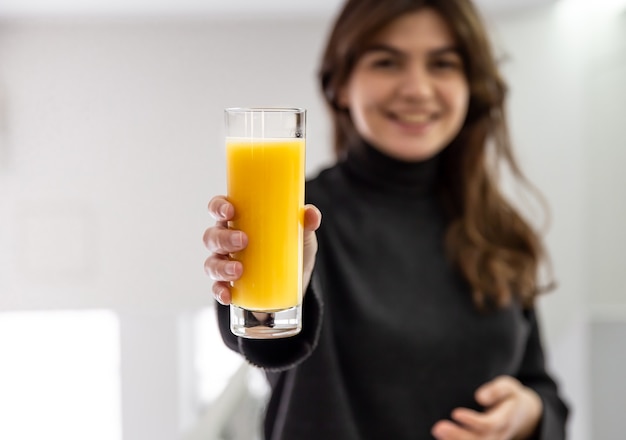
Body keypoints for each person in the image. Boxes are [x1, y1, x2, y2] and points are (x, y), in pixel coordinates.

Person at [203, 0, 569, 438]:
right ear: (340, 85)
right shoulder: (301, 217)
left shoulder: (496, 226)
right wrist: (268, 293)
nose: (417, 88)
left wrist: (528, 412)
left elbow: (542, 389)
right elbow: (268, 342)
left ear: (470, 86)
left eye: (443, 64)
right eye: (387, 62)